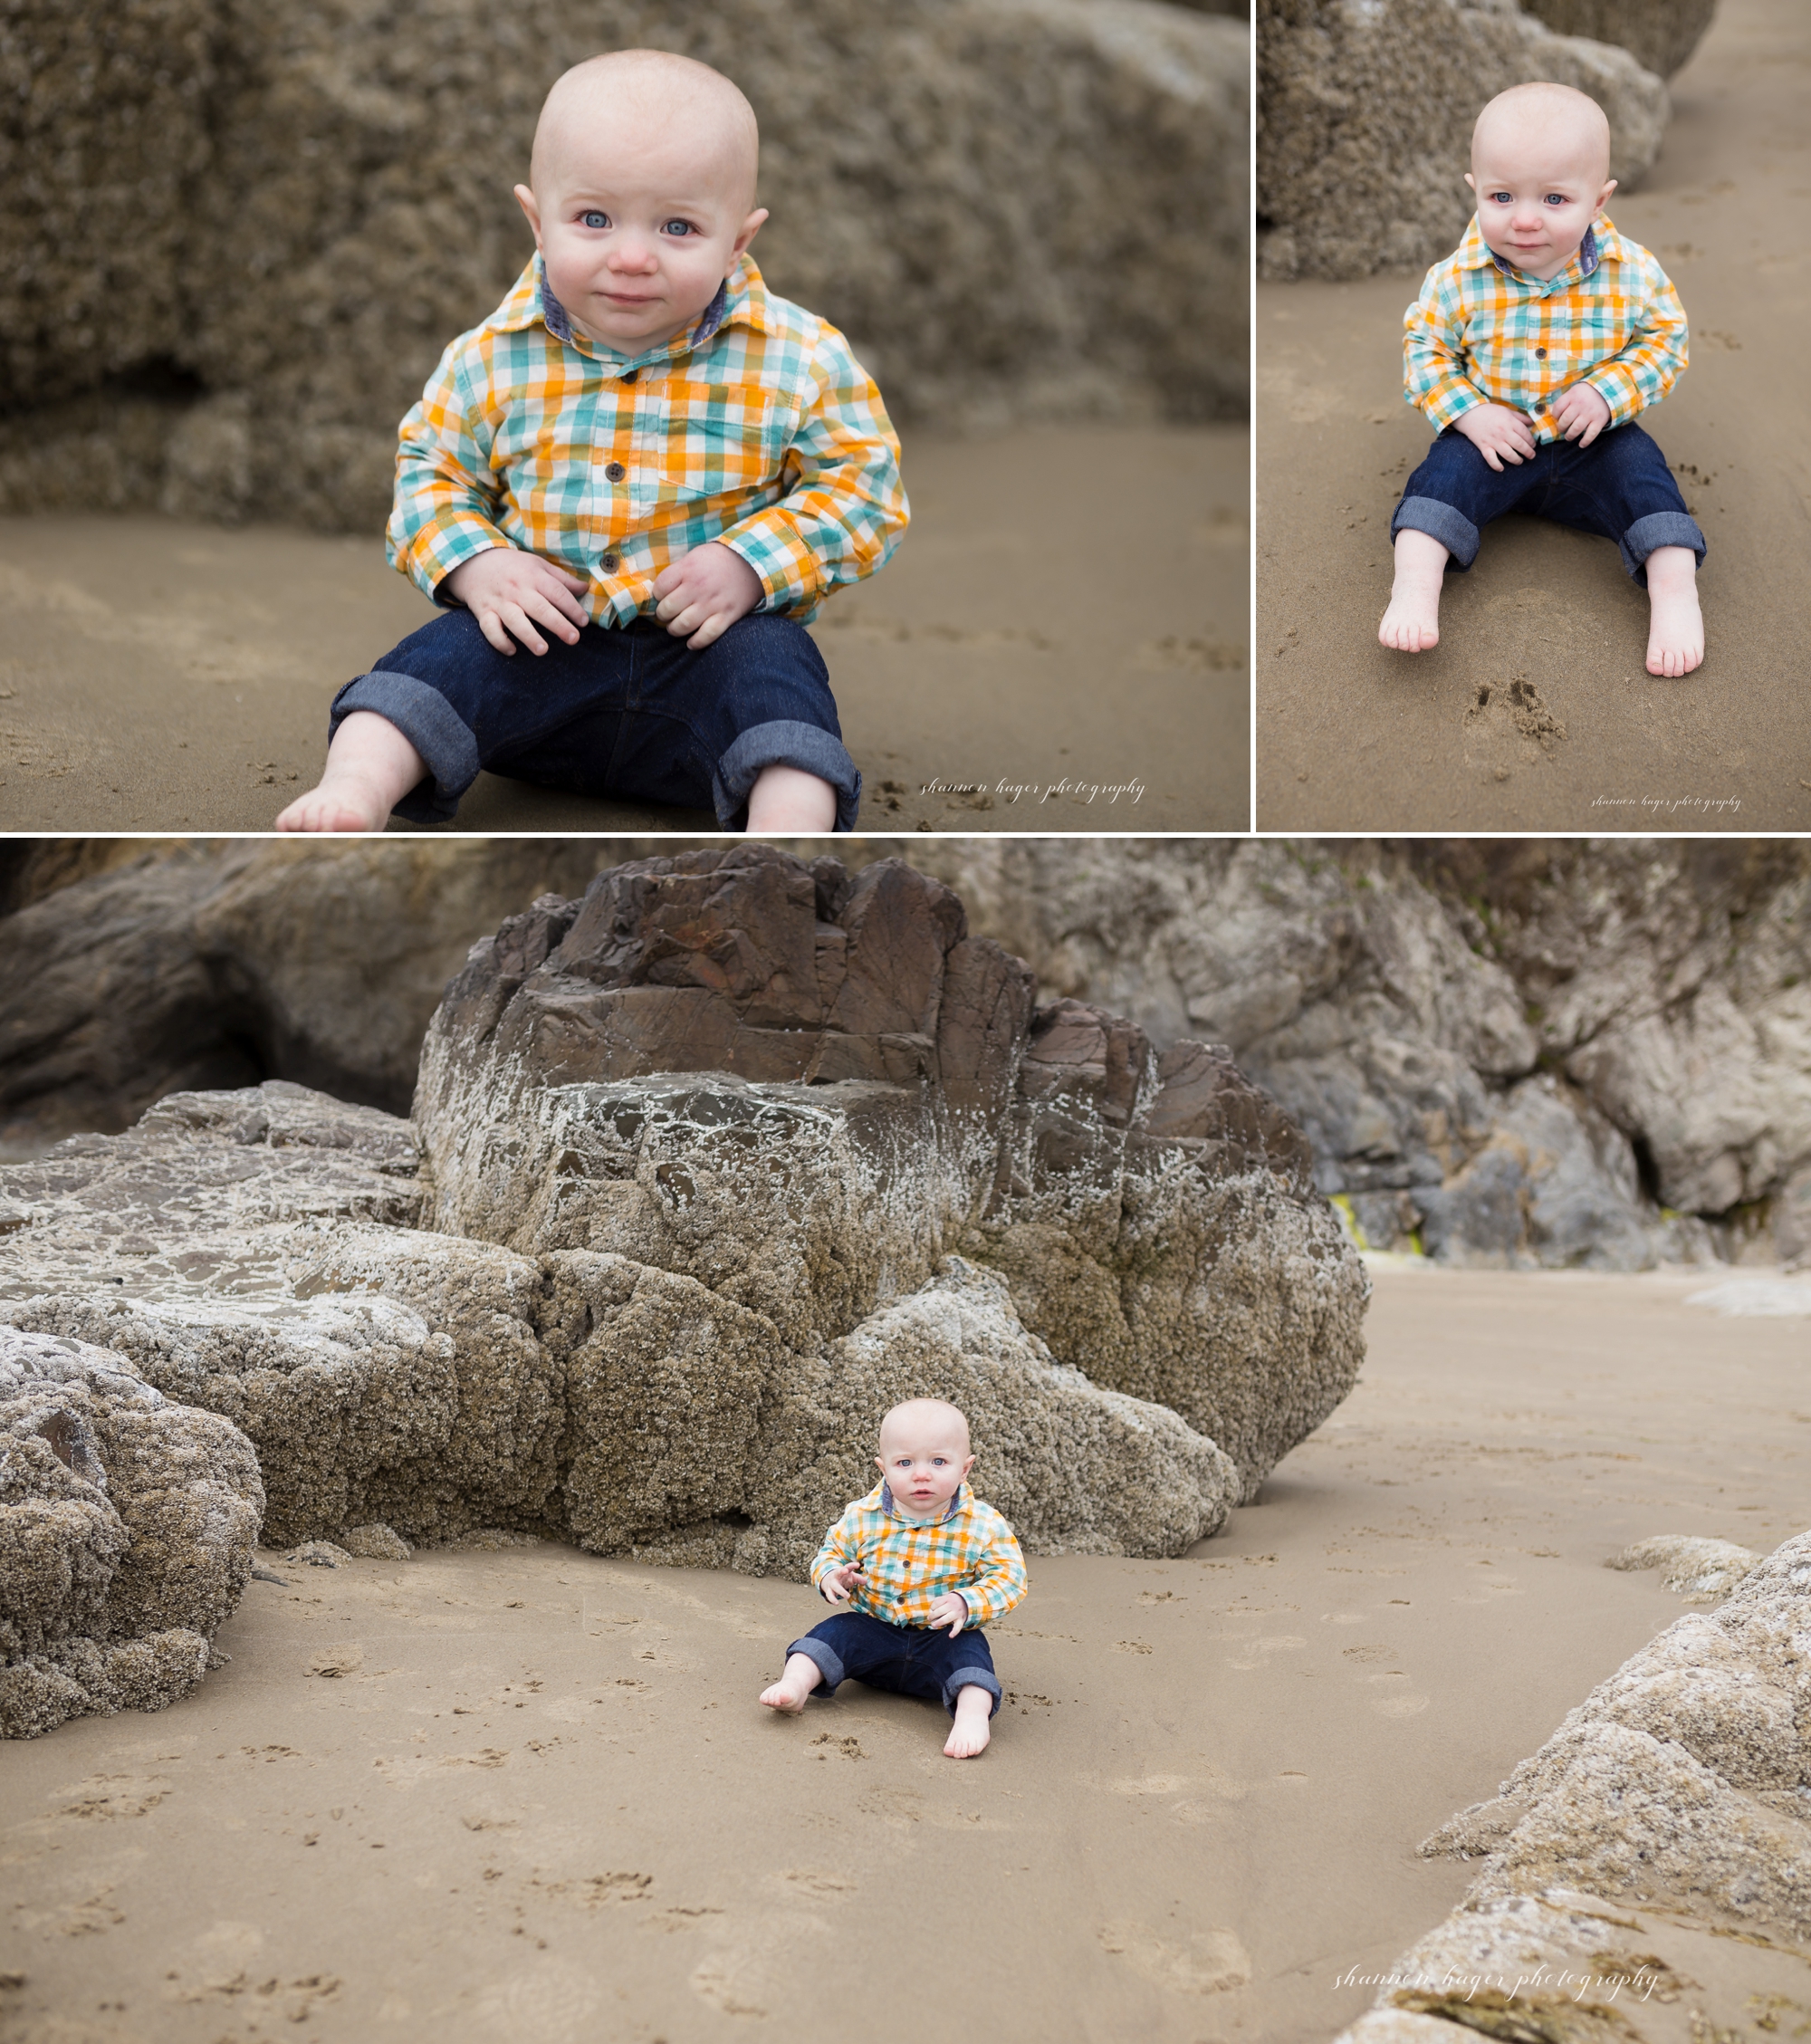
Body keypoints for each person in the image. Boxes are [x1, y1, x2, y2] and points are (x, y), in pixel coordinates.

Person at [277, 48, 906, 833]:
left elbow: (865, 483)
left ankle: (786, 830)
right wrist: (478, 564)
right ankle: (357, 790)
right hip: (542, 650)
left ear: (738, 241)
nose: (633, 257)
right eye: (594, 219)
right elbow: (430, 473)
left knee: (777, 674)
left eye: (679, 226)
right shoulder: (491, 357)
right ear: (538, 220)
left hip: (705, 658)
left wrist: (753, 562)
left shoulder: (800, 358)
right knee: (435, 664)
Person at [1378, 81, 1705, 678]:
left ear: (1599, 200)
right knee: (1439, 479)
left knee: (1645, 477)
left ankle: (1675, 591)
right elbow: (1424, 347)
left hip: (1593, 439)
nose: (1525, 220)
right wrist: (1471, 413)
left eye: (1555, 200)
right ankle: (1414, 587)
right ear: (1476, 190)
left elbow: (1667, 340)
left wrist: (1608, 394)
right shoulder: (1457, 278)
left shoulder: (1630, 273)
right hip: (1494, 437)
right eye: (1502, 197)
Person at [758, 1398, 1027, 1761]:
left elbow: (1010, 1577)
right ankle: (795, 1684)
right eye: (905, 1463)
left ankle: (971, 1717)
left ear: (965, 1469)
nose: (921, 1474)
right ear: (883, 1468)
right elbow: (831, 1552)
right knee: (832, 1633)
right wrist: (832, 1575)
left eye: (938, 1462)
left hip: (941, 1639)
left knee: (972, 1655)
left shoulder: (984, 1524)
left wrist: (968, 1602)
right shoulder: (862, 1515)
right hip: (875, 1630)